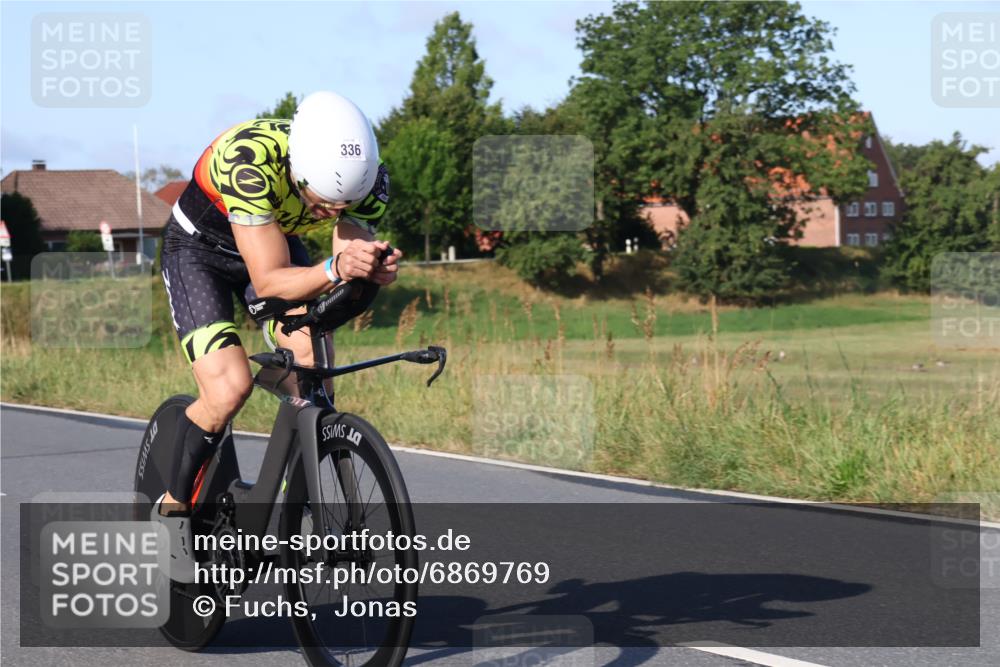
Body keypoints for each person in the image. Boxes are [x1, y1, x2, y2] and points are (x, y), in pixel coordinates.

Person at [153, 91, 401, 581]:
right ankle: (172, 509)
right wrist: (334, 267)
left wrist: (367, 269)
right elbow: (268, 282)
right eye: (322, 204)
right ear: (297, 170)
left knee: (313, 365)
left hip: (271, 241)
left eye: (342, 207)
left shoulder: (369, 180)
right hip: (199, 253)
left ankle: (292, 499)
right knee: (228, 388)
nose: (330, 214)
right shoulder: (248, 161)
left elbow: (344, 264)